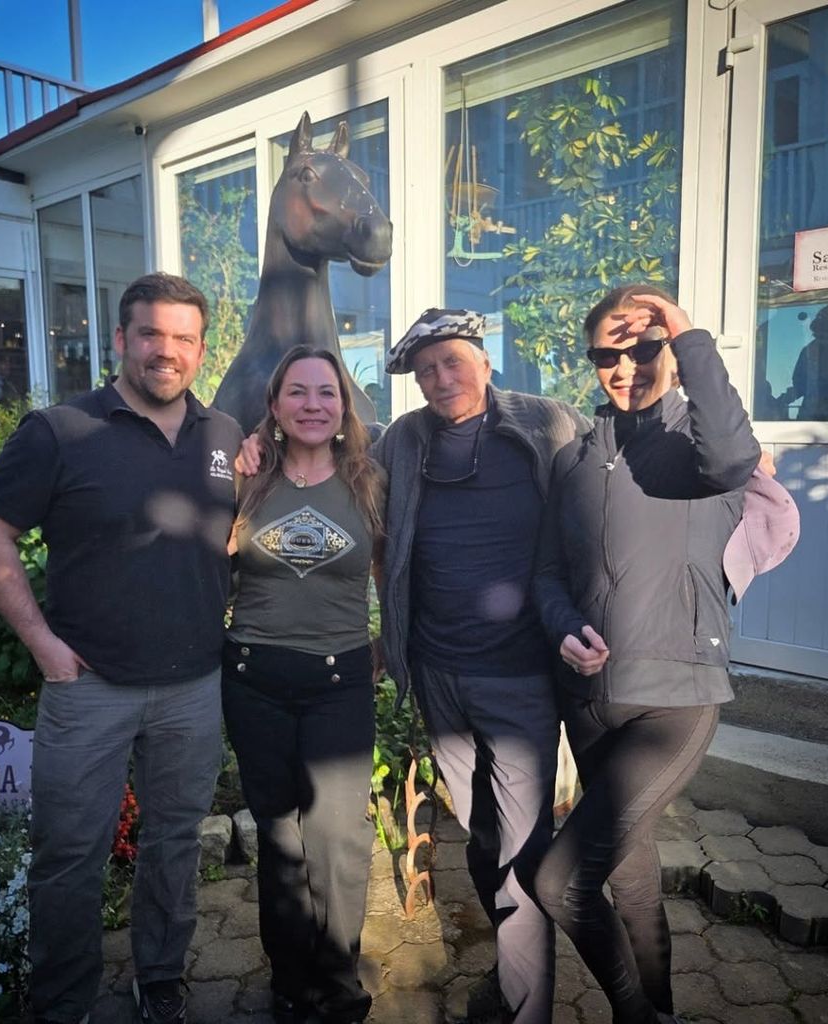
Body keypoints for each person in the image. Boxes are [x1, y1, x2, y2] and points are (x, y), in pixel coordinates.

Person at [0, 273, 242, 1024]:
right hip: (88, 686)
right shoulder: (59, 430)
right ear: (120, 340)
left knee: (174, 845)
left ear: (202, 350)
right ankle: (63, 1002)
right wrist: (42, 643)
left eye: (184, 338)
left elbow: (240, 538)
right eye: (150, 334)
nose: (166, 351)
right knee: (69, 857)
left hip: (193, 686)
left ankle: (160, 982)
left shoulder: (225, 437)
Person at [531, 285, 762, 1024]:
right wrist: (564, 625)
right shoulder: (573, 457)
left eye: (644, 347)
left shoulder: (699, 444)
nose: (625, 365)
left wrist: (689, 335)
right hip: (592, 700)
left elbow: (733, 458)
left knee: (562, 882)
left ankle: (637, 1015)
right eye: (608, 352)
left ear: (669, 348)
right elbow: (546, 572)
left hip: (675, 696)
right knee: (629, 877)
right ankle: (660, 1006)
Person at [376, 309, 588, 1024]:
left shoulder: (549, 422)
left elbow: (626, 466)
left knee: (524, 854)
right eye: (426, 369)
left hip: (521, 676)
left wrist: (749, 467)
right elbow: (332, 470)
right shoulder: (403, 440)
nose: (440, 380)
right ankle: (510, 970)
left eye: (452, 362)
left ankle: (527, 1006)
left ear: (485, 359)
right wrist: (258, 448)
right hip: (439, 674)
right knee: (483, 832)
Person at [222, 346, 384, 1024]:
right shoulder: (246, 481)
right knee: (280, 837)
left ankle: (339, 980)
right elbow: (214, 562)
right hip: (255, 679)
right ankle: (289, 980)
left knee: (338, 838)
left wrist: (390, 652)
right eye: (299, 392)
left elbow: (393, 575)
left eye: (327, 392)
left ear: (344, 406)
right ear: (276, 406)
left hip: (338, 680)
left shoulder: (372, 481)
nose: (314, 404)